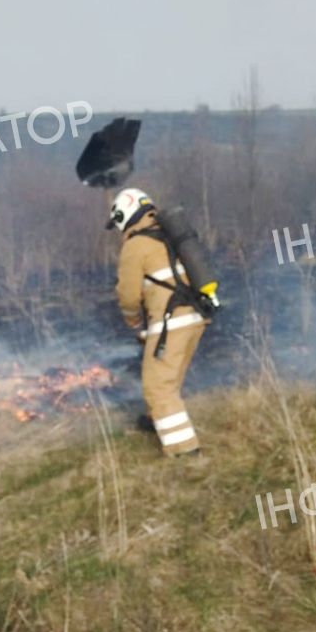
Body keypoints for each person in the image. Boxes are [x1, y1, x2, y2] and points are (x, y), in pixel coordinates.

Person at [106, 187, 207, 457]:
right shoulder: (169, 235)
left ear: (123, 216)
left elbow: (127, 293)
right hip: (195, 316)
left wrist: (132, 320)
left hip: (171, 321)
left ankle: (185, 451)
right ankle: (156, 421)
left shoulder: (135, 245)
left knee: (158, 386)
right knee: (169, 379)